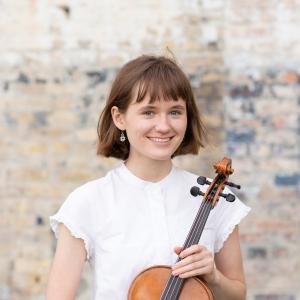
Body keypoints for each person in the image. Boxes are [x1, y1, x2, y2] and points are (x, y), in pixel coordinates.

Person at [46, 55, 250, 300]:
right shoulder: (88, 201)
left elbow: (238, 295)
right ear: (119, 117)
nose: (163, 126)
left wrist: (213, 277)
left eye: (175, 112)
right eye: (149, 113)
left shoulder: (216, 200)